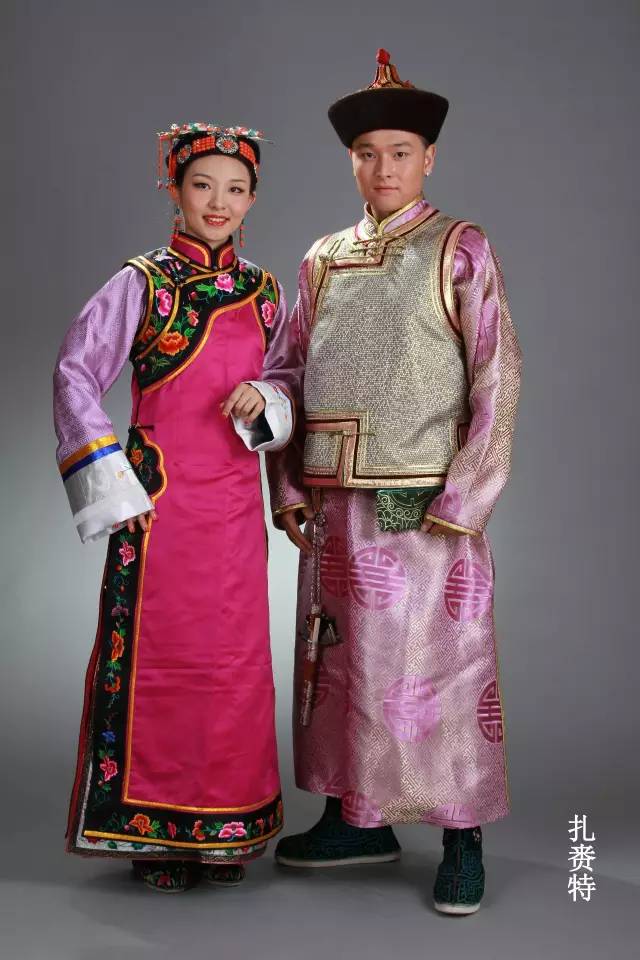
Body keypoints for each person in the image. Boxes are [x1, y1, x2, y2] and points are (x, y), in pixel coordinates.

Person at [267, 51, 522, 915]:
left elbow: (497, 376)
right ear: (351, 161)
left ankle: (461, 833)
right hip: (334, 500)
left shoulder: (459, 248)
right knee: (343, 664)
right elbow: (287, 370)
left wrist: (467, 496)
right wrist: (288, 486)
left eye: (401, 153)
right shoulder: (322, 258)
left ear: (429, 158)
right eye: (368, 153)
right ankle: (355, 817)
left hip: (426, 500)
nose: (384, 169)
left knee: (440, 667)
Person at [54, 122, 301, 892]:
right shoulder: (142, 284)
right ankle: (154, 833)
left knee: (234, 671)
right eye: (202, 185)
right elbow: (75, 374)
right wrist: (111, 483)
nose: (218, 202)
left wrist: (266, 399)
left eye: (236, 188)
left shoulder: (267, 294)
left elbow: (292, 383)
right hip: (158, 511)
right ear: (175, 189)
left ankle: (225, 829)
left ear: (253, 199)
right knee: (161, 668)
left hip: (234, 514)